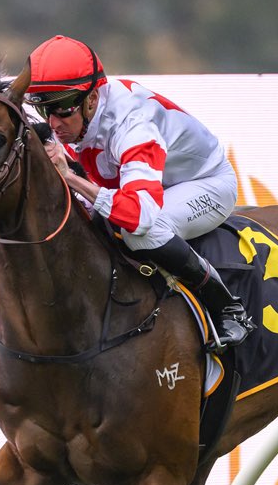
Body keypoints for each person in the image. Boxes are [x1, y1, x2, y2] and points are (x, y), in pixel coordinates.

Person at [24, 35, 255, 351]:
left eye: (62, 109)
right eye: (44, 110)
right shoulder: (80, 112)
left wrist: (72, 180)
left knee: (138, 233)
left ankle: (226, 306)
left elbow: (140, 217)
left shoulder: (132, 125)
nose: (54, 123)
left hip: (206, 183)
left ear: (92, 99)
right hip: (148, 184)